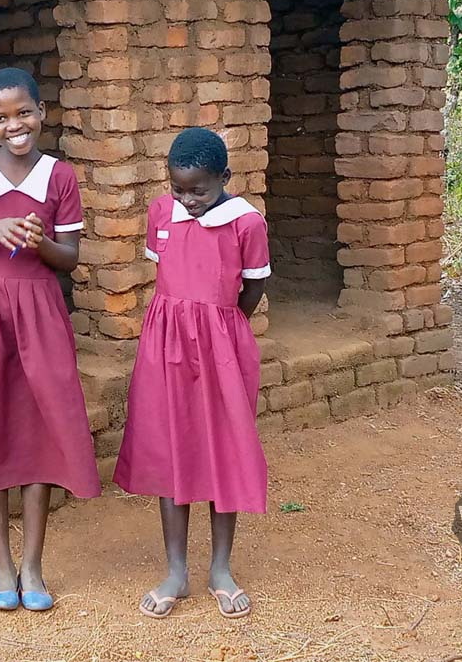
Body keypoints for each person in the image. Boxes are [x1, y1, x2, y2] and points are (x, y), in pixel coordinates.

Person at [0, 67, 101, 612]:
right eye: (2, 118)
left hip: (39, 310)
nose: (15, 126)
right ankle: (2, 567)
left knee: (42, 429)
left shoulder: (60, 176)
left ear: (41, 112)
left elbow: (69, 258)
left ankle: (33, 566)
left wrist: (40, 242)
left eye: (24, 113)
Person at [114, 127, 271, 620]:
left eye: (198, 190)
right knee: (170, 450)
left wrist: (220, 325)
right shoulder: (161, 213)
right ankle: (176, 571)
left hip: (222, 349)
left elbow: (252, 289)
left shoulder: (246, 223)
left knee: (223, 449)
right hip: (165, 346)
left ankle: (220, 569)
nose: (188, 200)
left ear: (225, 177)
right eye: (178, 189)